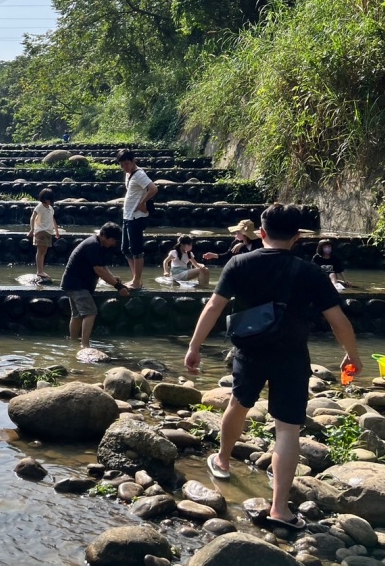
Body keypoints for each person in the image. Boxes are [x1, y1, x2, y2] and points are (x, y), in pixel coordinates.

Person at [184, 203, 361, 531]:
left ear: (261, 232)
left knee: (238, 403)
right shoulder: (310, 272)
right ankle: (280, 509)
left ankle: (222, 461)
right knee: (287, 429)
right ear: (296, 237)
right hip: (292, 354)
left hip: (249, 350)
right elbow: (338, 321)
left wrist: (195, 346)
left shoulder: (239, 263)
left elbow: (213, 306)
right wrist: (352, 356)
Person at [60, 222, 130, 348]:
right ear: (103, 236)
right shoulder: (93, 245)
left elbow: (103, 266)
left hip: (73, 283)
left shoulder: (99, 245)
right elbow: (99, 270)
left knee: (77, 315)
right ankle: (85, 346)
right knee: (90, 313)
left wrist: (114, 279)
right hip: (77, 284)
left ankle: (73, 343)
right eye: (112, 240)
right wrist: (118, 287)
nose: (114, 243)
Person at [117, 149, 157, 289]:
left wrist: (142, 203)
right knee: (126, 249)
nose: (124, 167)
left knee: (136, 250)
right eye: (122, 165)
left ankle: (136, 281)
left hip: (136, 217)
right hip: (128, 215)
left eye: (127, 164)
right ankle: (136, 279)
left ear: (134, 161)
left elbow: (153, 189)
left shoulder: (139, 174)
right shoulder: (129, 174)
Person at [27, 189, 60, 281]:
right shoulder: (39, 207)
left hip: (49, 232)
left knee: (44, 252)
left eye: (49, 200)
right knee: (41, 251)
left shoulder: (50, 208)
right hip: (41, 231)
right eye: (46, 200)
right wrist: (32, 229)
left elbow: (53, 220)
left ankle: (41, 270)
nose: (47, 202)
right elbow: (32, 218)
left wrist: (56, 231)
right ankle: (39, 271)